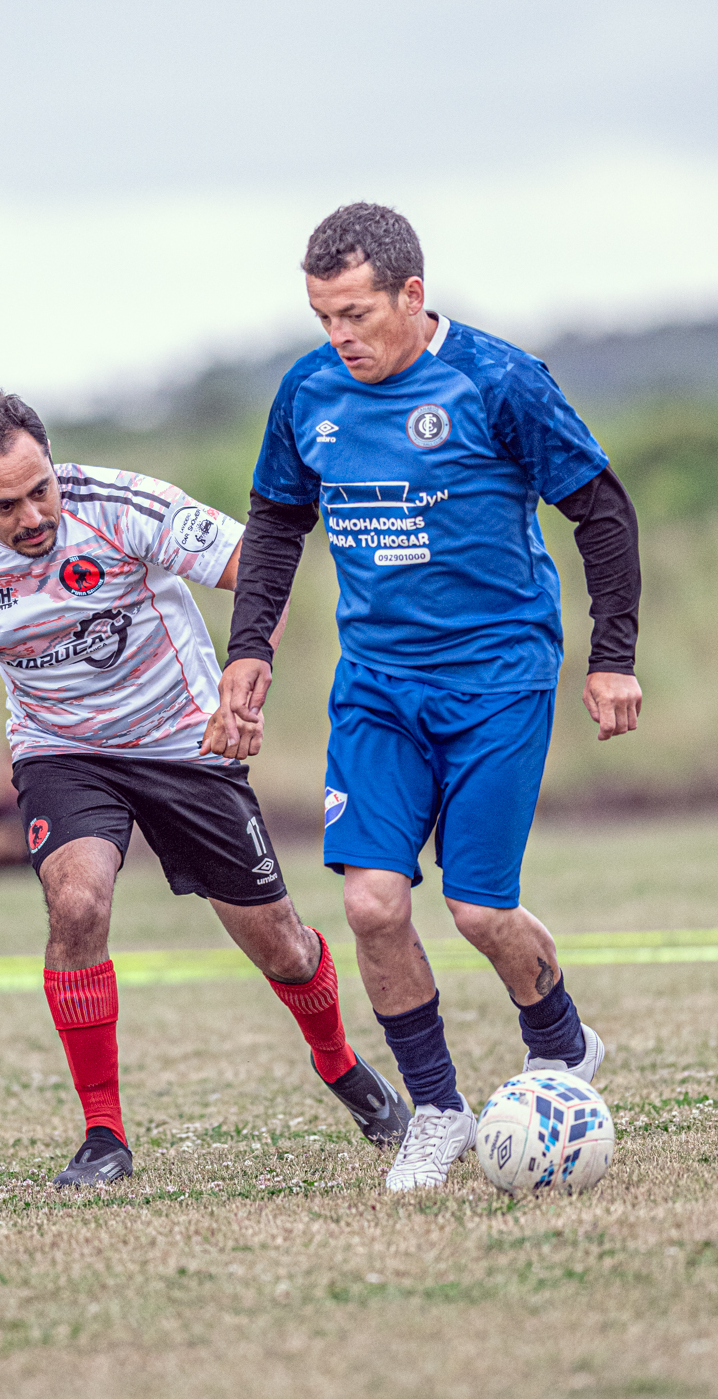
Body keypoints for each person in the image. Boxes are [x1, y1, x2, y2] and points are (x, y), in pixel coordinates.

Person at [206, 203, 642, 1191]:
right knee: (370, 903)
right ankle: (438, 1111)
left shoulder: (498, 380)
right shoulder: (308, 391)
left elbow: (603, 513)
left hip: (498, 677)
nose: (339, 336)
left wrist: (610, 657)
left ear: (411, 294)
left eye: (356, 314)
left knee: (480, 910)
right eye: (323, 317)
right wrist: (250, 649)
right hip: (377, 688)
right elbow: (275, 521)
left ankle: (559, 1041)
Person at [0, 387, 410, 1187]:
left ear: (54, 464)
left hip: (184, 741)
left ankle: (339, 1065)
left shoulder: (122, 506)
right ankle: (104, 1136)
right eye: (4, 506)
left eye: (41, 489)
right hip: (62, 753)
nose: (33, 516)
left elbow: (260, 567)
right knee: (77, 903)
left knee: (285, 947)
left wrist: (246, 674)